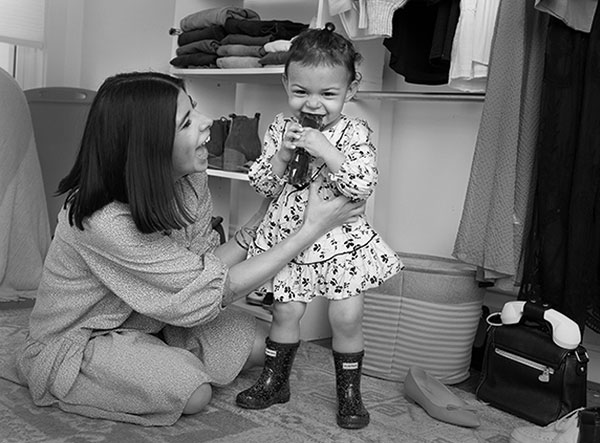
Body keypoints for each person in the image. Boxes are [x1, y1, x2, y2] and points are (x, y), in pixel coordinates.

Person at [14, 71, 364, 427]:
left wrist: (267, 213)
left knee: (264, 347)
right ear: (150, 145)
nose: (206, 121)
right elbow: (212, 288)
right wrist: (311, 229)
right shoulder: (102, 221)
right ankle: (136, 364)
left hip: (155, 317)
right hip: (83, 338)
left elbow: (205, 266)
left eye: (194, 109)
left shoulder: (190, 180)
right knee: (193, 392)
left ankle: (153, 355)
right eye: (187, 122)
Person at [235, 24, 403, 429]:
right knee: (285, 310)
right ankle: (275, 382)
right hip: (293, 239)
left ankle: (349, 394)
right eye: (301, 92)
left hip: (339, 240)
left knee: (346, 317)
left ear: (351, 89)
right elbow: (262, 183)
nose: (313, 104)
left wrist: (325, 150)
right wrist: (281, 155)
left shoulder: (354, 131)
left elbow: (362, 184)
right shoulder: (280, 127)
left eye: (328, 94)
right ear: (286, 84)